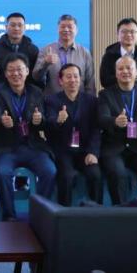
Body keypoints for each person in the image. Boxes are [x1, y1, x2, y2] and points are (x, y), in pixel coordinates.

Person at [0, 53, 55, 220]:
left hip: (33, 146)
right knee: (2, 173)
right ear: (5, 73)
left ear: (27, 71)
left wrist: (39, 120)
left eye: (19, 69)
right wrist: (1, 120)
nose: (15, 74)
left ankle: (40, 213)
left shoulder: (36, 92)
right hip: (7, 148)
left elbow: (44, 121)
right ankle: (9, 215)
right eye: (11, 70)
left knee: (50, 171)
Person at [98, 56, 137, 204]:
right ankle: (120, 211)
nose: (125, 71)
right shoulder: (105, 94)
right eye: (120, 69)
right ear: (116, 74)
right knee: (118, 174)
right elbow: (101, 119)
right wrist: (114, 121)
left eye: (129, 68)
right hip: (113, 148)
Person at [45, 63, 102, 206]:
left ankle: (98, 212)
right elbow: (48, 126)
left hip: (85, 151)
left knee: (95, 174)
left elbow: (96, 129)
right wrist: (58, 121)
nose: (72, 80)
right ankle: (64, 214)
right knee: (67, 176)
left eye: (76, 76)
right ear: (60, 81)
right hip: (63, 151)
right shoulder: (51, 101)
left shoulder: (92, 101)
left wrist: (93, 152)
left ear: (80, 79)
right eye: (68, 77)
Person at [33, 14, 96, 96]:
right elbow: (36, 78)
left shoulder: (85, 53)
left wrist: (90, 102)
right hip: (52, 101)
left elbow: (90, 83)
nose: (66, 30)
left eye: (70, 27)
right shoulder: (46, 50)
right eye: (62, 27)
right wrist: (45, 63)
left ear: (76, 30)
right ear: (57, 29)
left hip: (79, 101)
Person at [0, 13, 40, 89]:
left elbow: (37, 78)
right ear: (6, 27)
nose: (16, 28)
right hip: (1, 93)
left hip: (27, 93)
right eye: (13, 25)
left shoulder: (33, 50)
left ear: (24, 28)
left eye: (20, 25)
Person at [99, 18, 137, 89]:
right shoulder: (108, 56)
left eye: (132, 32)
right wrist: (126, 77)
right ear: (118, 34)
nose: (128, 35)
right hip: (115, 95)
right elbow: (104, 81)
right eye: (124, 32)